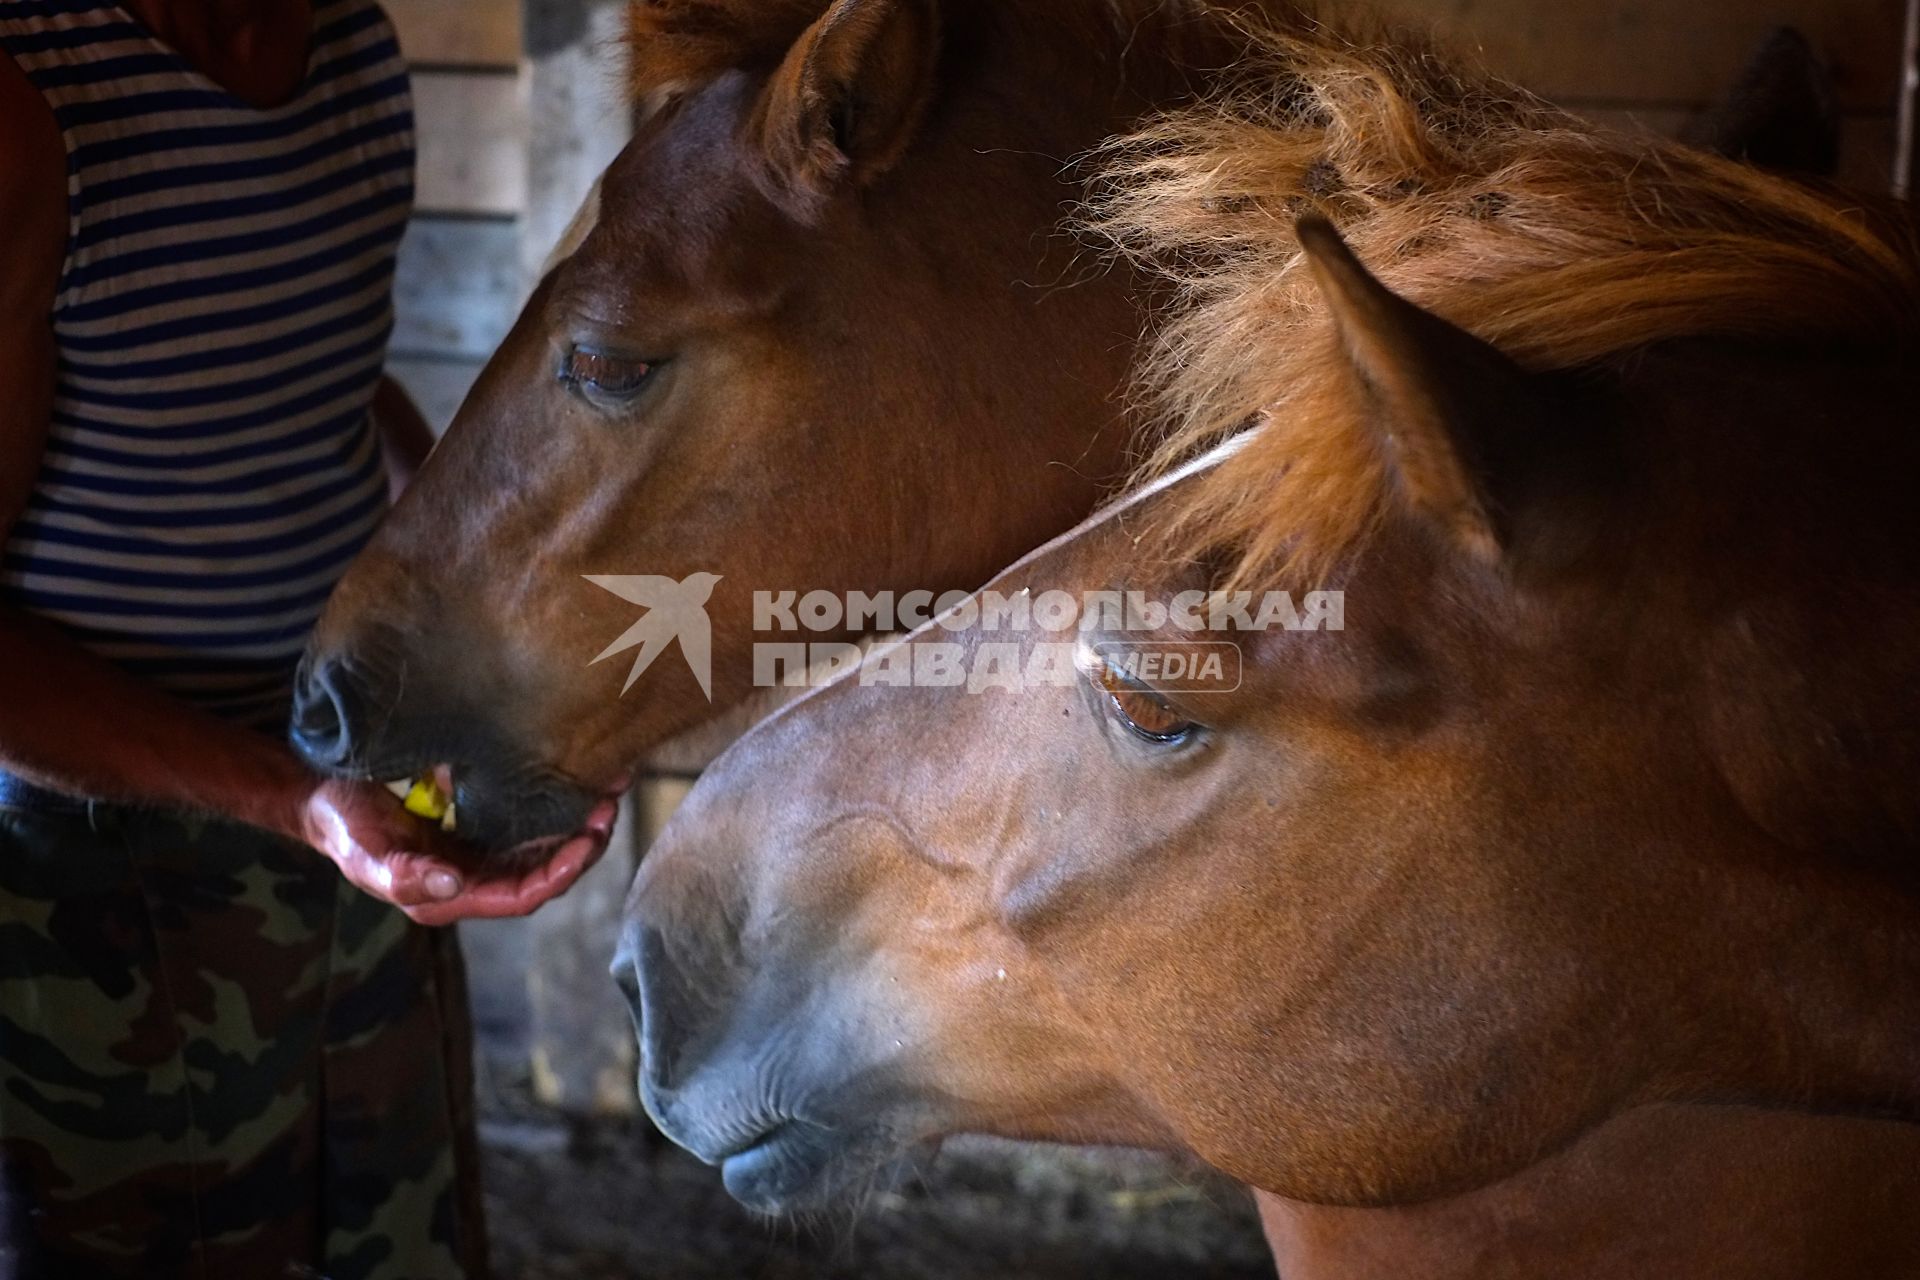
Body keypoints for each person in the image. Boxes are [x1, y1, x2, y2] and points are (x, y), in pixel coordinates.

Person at [0, 1, 616, 1274]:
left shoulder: (344, 47)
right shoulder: (30, 102)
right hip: (106, 882)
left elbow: (320, 383)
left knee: (393, 1234)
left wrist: (491, 615)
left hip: (355, 796)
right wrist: (302, 802)